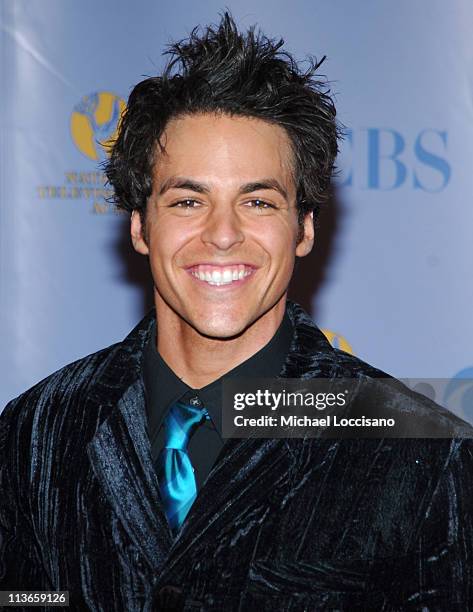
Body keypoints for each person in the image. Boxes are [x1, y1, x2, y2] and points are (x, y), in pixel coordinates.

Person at [1, 12, 472, 612]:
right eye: (189, 200)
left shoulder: (426, 454)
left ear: (303, 228)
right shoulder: (36, 433)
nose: (222, 235)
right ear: (140, 225)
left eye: (257, 200)